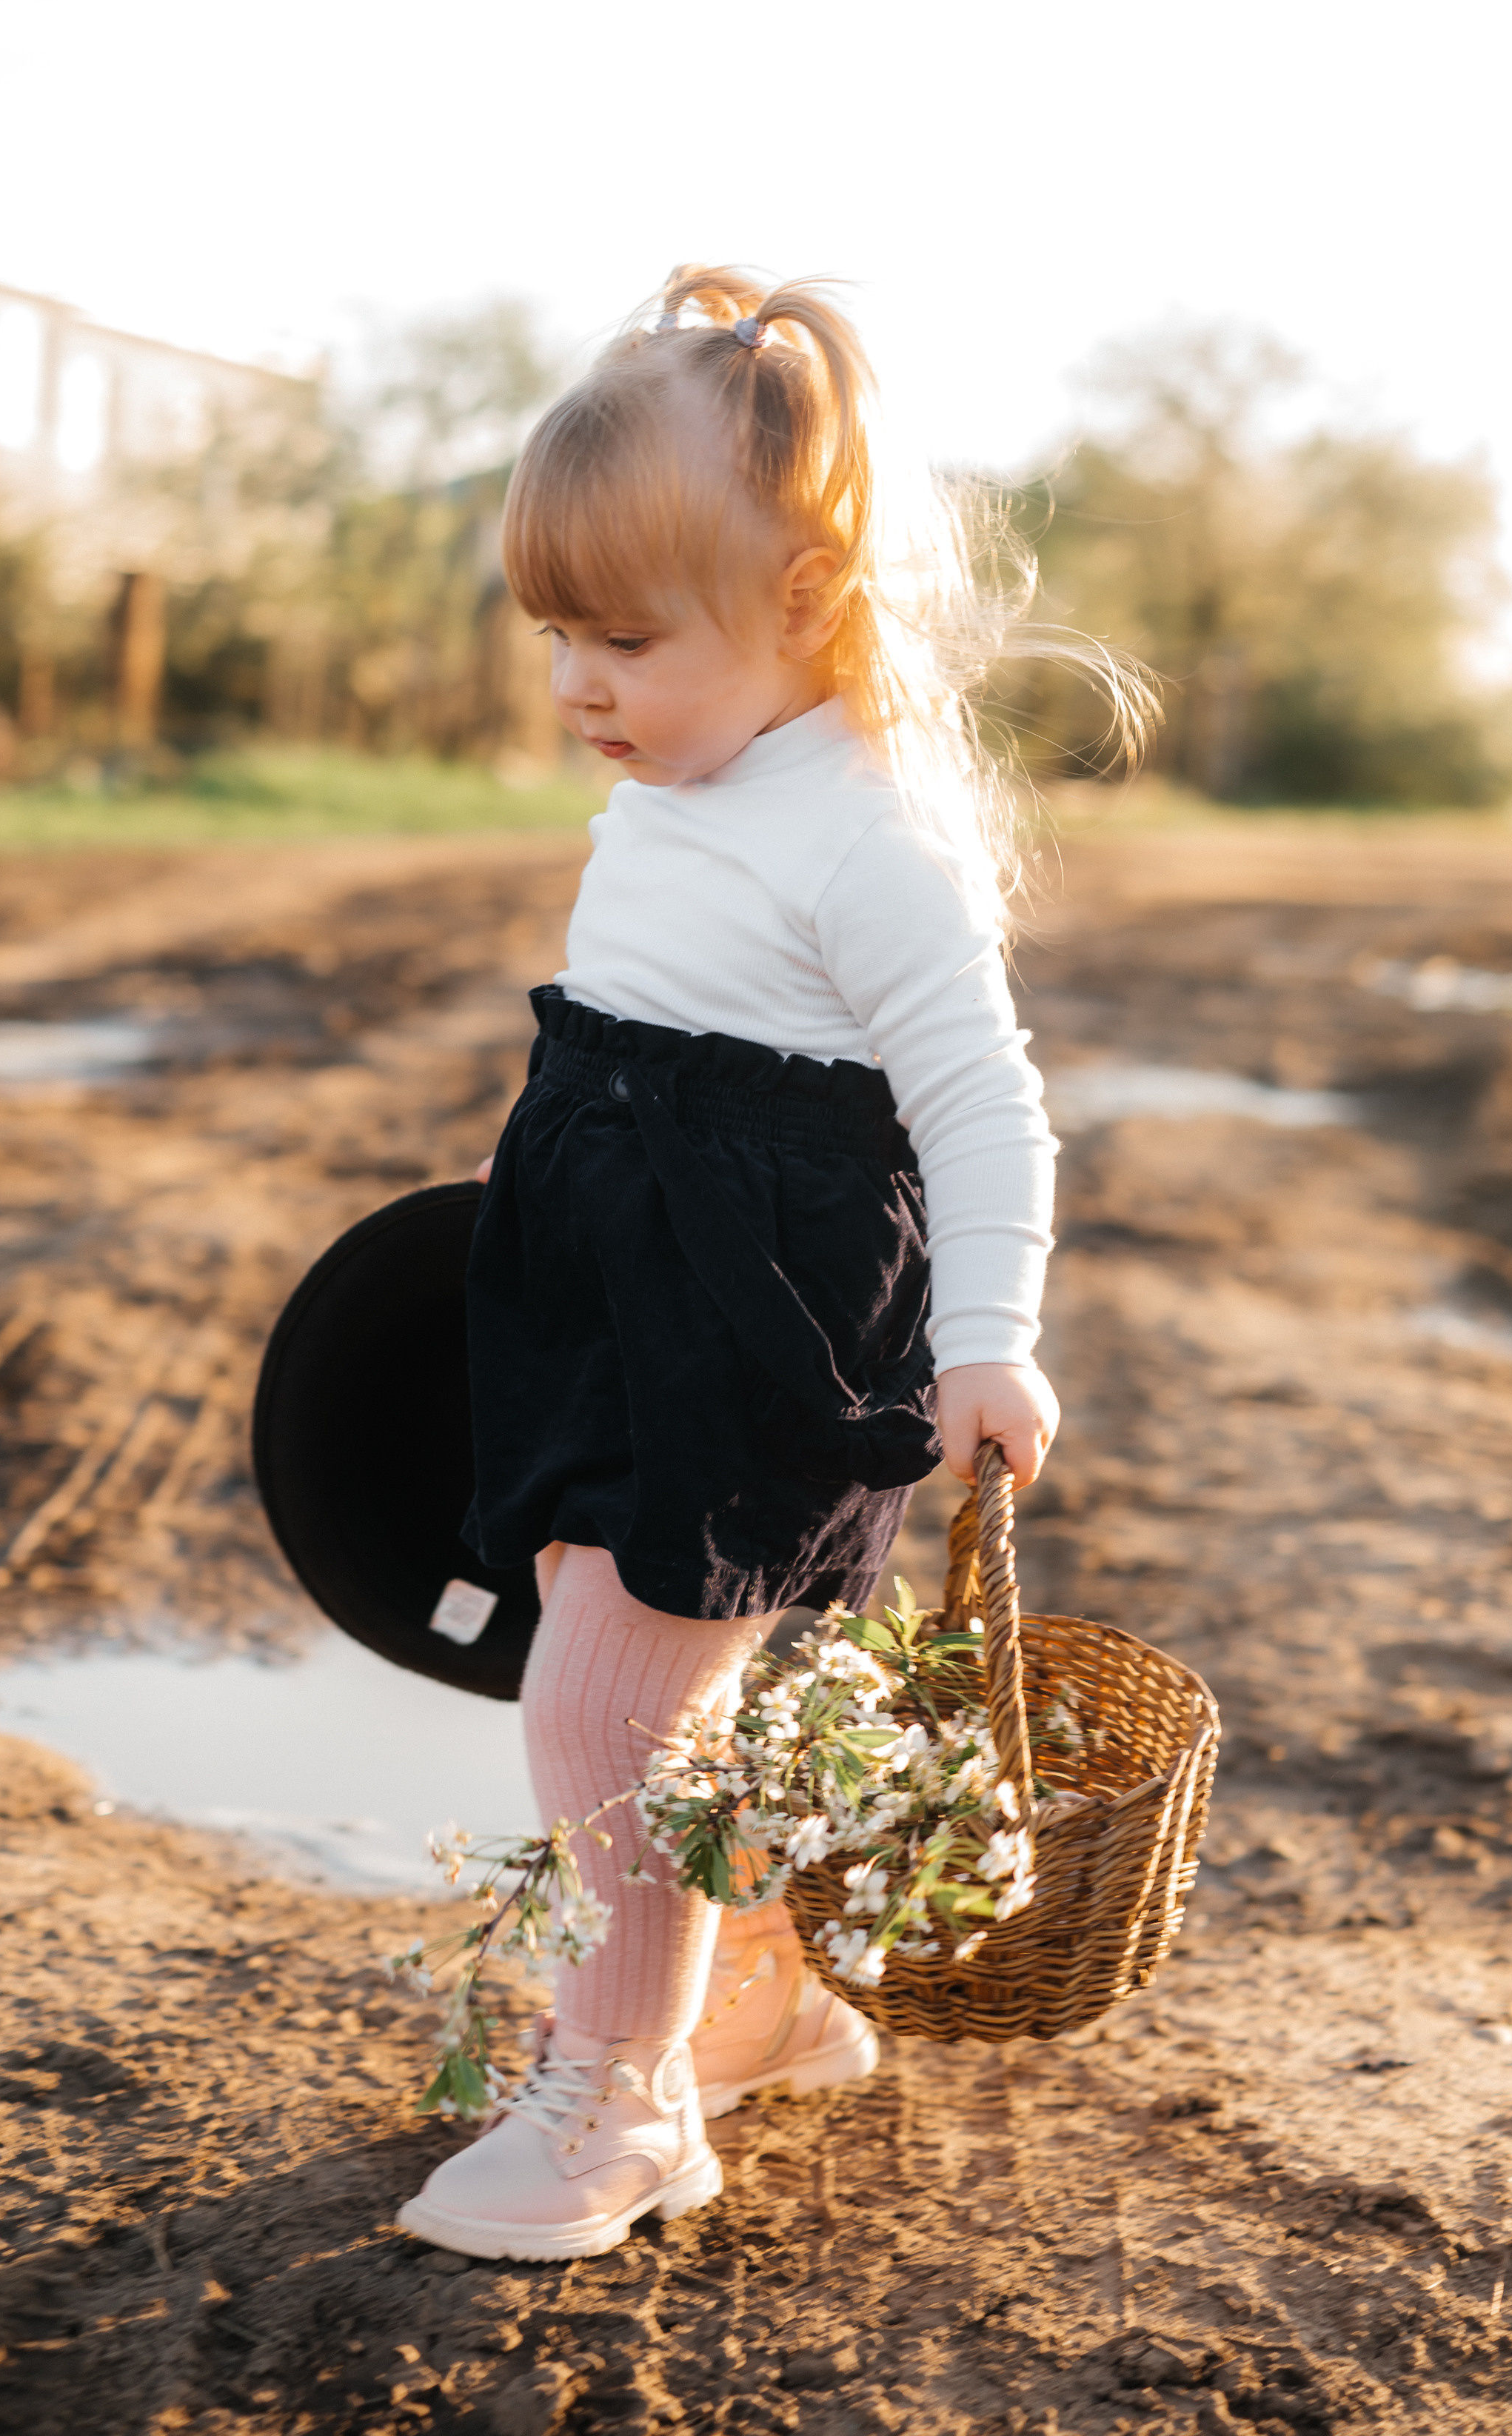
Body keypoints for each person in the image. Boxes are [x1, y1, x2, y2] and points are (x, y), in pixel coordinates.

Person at [398, 265, 1119, 2265]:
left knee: (611, 1706)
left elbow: (985, 1101)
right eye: (557, 635)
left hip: (762, 1310)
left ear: (808, 604)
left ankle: (623, 2106)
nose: (579, 687)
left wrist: (990, 1339)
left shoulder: (871, 837)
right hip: (611, 1264)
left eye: (629, 636)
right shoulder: (679, 784)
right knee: (597, 1628)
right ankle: (759, 2005)